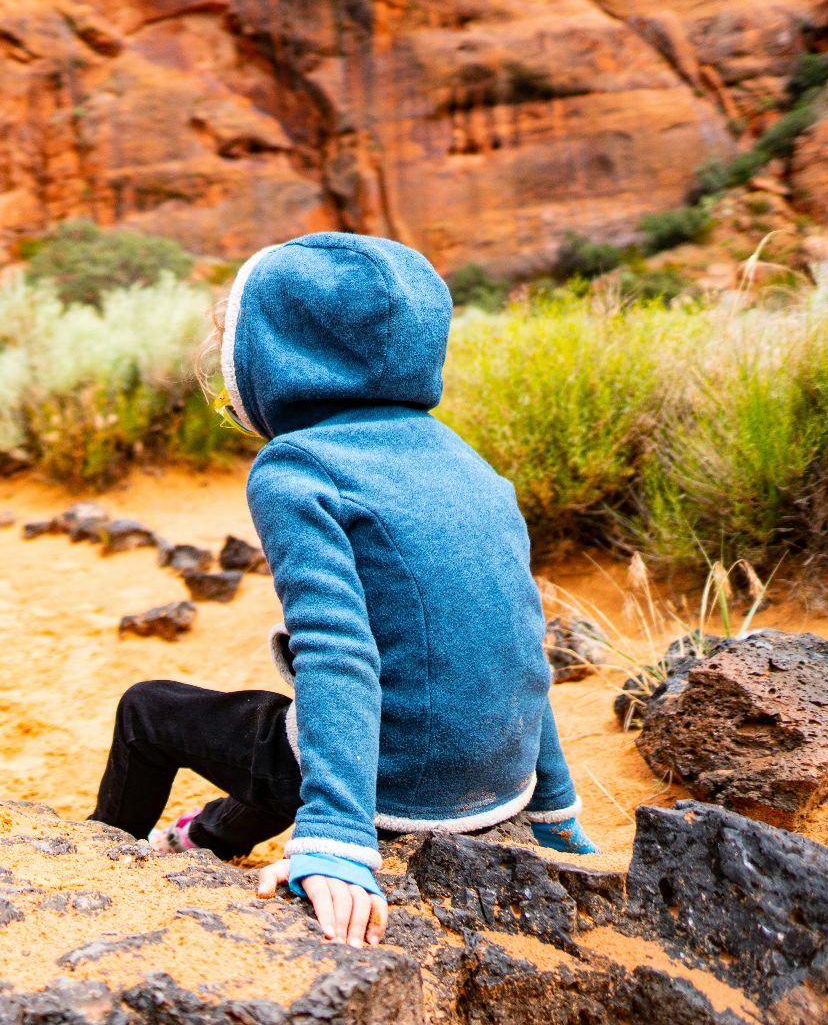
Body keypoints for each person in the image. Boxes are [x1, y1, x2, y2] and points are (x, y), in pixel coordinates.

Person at [87, 232, 596, 950]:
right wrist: (551, 806)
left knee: (151, 710)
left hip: (397, 782)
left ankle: (91, 863)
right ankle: (203, 836)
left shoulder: (297, 466)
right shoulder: (468, 462)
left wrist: (336, 838)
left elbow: (339, 652)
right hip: (489, 772)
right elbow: (515, 638)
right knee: (278, 734)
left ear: (274, 356)